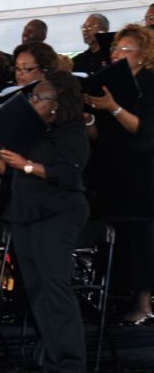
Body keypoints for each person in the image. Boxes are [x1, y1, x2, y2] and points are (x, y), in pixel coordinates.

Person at [0, 71, 89, 373]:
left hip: (58, 213)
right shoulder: (30, 131)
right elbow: (9, 171)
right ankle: (52, 358)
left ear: (58, 103)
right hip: (26, 213)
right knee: (35, 289)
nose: (33, 101)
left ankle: (71, 363)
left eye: (39, 97)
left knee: (55, 287)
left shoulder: (72, 131)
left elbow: (68, 173)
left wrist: (26, 165)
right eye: (32, 97)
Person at [83, 24, 154, 325]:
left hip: (141, 170)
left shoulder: (149, 81)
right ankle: (118, 298)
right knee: (116, 235)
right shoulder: (108, 81)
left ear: (143, 55)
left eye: (125, 49)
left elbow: (143, 129)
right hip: (109, 168)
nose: (117, 53)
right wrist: (88, 117)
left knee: (141, 237)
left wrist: (112, 107)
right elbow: (97, 134)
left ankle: (144, 302)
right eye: (115, 48)